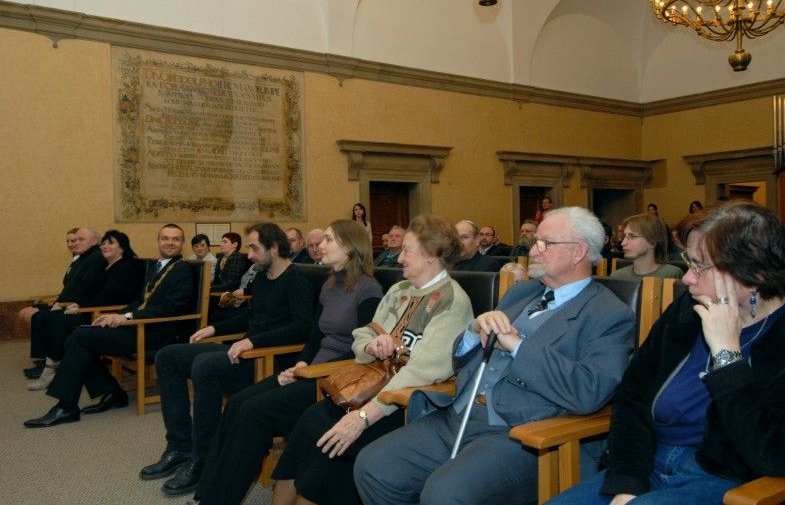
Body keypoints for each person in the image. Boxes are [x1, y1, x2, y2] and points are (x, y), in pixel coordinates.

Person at [355, 207, 636, 505]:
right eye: (535, 241)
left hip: (524, 432)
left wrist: (517, 346)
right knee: (373, 467)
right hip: (459, 414)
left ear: (579, 251)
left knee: (445, 495)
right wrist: (473, 332)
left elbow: (588, 391)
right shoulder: (522, 292)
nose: (534, 250)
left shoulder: (608, 315)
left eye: (545, 243)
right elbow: (458, 360)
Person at [548, 200, 785, 505]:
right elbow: (633, 396)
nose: (686, 278)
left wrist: (726, 356)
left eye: (700, 267)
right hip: (647, 460)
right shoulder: (687, 310)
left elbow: (778, 455)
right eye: (688, 262)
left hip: (726, 479)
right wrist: (627, 482)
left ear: (754, 274)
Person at [269, 214, 474, 505]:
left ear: (432, 256)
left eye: (407, 251)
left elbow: (422, 372)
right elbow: (361, 336)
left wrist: (363, 417)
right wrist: (373, 346)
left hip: (406, 406)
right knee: (310, 422)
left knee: (334, 448)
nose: (399, 258)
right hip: (369, 388)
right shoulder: (399, 290)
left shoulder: (452, 301)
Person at [193, 220, 384, 504]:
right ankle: (207, 493)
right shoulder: (331, 284)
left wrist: (311, 371)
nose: (321, 245)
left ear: (350, 247)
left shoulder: (368, 289)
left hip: (335, 379)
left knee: (254, 412)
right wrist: (300, 365)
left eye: (329, 240)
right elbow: (315, 336)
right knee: (237, 404)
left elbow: (362, 353)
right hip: (311, 370)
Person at [140, 223, 315, 496]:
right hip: (245, 351)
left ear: (273, 248)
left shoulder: (296, 280)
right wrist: (214, 329)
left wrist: (254, 341)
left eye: (255, 248)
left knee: (205, 366)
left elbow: (303, 327)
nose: (250, 255)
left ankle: (204, 458)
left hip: (271, 360)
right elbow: (252, 316)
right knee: (168, 357)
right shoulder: (261, 278)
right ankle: (179, 447)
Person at [23, 224, 194, 428]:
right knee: (78, 338)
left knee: (80, 338)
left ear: (182, 243)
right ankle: (110, 394)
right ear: (158, 241)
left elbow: (171, 308)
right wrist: (117, 314)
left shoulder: (183, 269)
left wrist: (128, 317)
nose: (170, 242)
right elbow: (140, 300)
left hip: (156, 331)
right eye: (165, 238)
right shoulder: (158, 265)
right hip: (139, 324)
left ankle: (69, 406)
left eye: (175, 239)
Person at [27, 230, 143, 391]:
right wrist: (77, 304)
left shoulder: (126, 266)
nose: (105, 246)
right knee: (50, 317)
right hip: (95, 310)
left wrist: (81, 307)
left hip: (107, 313)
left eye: (111, 243)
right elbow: (91, 291)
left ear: (122, 247)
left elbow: (110, 296)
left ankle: (51, 370)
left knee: (57, 320)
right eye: (104, 243)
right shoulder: (108, 265)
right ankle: (51, 365)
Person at [22, 227, 106, 377]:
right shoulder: (83, 257)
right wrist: (58, 301)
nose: (74, 243)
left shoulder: (96, 258)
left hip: (85, 310)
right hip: (70, 303)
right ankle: (46, 361)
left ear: (94, 241)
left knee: (45, 317)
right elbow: (72, 287)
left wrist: (61, 304)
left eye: (80, 240)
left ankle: (52, 364)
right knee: (40, 316)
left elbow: (84, 289)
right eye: (73, 240)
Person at [610, 214, 683, 279]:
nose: (623, 243)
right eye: (624, 237)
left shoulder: (671, 274)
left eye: (632, 237)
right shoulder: (617, 276)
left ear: (652, 242)